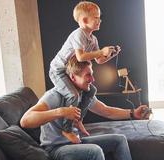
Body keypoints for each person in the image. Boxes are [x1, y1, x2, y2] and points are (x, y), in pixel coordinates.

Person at [20, 56, 160, 160]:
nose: (93, 79)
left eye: (91, 74)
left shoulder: (83, 93)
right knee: (95, 151)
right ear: (73, 77)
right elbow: (25, 121)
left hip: (74, 142)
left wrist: (132, 113)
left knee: (119, 140)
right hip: (55, 148)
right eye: (88, 75)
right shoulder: (54, 96)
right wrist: (60, 111)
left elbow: (107, 111)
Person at [49, 1, 120, 136]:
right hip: (58, 70)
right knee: (73, 95)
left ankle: (78, 119)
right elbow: (81, 57)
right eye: (96, 17)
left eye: (100, 17)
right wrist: (101, 51)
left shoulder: (93, 39)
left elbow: (99, 60)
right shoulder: (79, 34)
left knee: (91, 90)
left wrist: (110, 54)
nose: (100, 20)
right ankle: (67, 129)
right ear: (85, 20)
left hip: (72, 71)